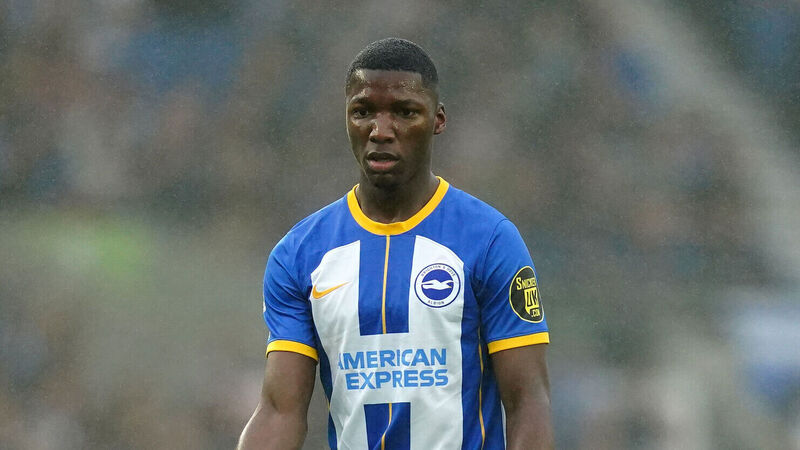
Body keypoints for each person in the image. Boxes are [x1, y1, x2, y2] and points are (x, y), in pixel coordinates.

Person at [238, 38, 553, 450]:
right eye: (363, 111)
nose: (380, 131)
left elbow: (528, 403)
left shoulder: (490, 239)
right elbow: (280, 411)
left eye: (405, 112)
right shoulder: (299, 254)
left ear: (438, 120)